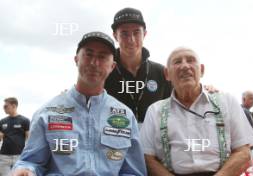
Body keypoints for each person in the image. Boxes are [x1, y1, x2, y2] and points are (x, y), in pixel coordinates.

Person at [11, 31, 147, 176]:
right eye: (88, 54)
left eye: (102, 56)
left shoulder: (126, 116)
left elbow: (134, 171)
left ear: (112, 66)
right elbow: (31, 161)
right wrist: (25, 170)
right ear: (76, 59)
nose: (94, 63)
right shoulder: (46, 112)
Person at [140, 47, 253, 176]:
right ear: (167, 74)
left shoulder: (227, 102)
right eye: (177, 62)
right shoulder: (155, 111)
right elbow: (147, 158)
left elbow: (243, 153)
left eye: (190, 60)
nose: (185, 66)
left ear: (201, 70)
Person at [105, 7, 172, 125]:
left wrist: (206, 90)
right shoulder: (104, 71)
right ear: (115, 36)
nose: (131, 40)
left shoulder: (161, 71)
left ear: (144, 34)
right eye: (124, 33)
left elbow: (179, 103)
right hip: (113, 141)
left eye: (136, 32)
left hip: (153, 142)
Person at [0, 97, 30, 176]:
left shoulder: (25, 120)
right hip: (4, 156)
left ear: (14, 106)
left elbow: (29, 139)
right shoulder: (2, 121)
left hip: (19, 156)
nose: (4, 108)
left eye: (6, 106)